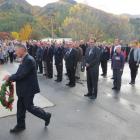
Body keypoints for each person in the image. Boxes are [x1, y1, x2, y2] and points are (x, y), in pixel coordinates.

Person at [3, 44, 51, 133]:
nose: (15, 52)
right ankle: (20, 125)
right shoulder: (25, 59)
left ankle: (46, 115)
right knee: (20, 108)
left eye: (16, 50)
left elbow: (22, 74)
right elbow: (19, 73)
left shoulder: (28, 60)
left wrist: (10, 78)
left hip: (28, 89)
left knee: (29, 107)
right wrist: (11, 78)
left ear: (22, 50)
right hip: (23, 88)